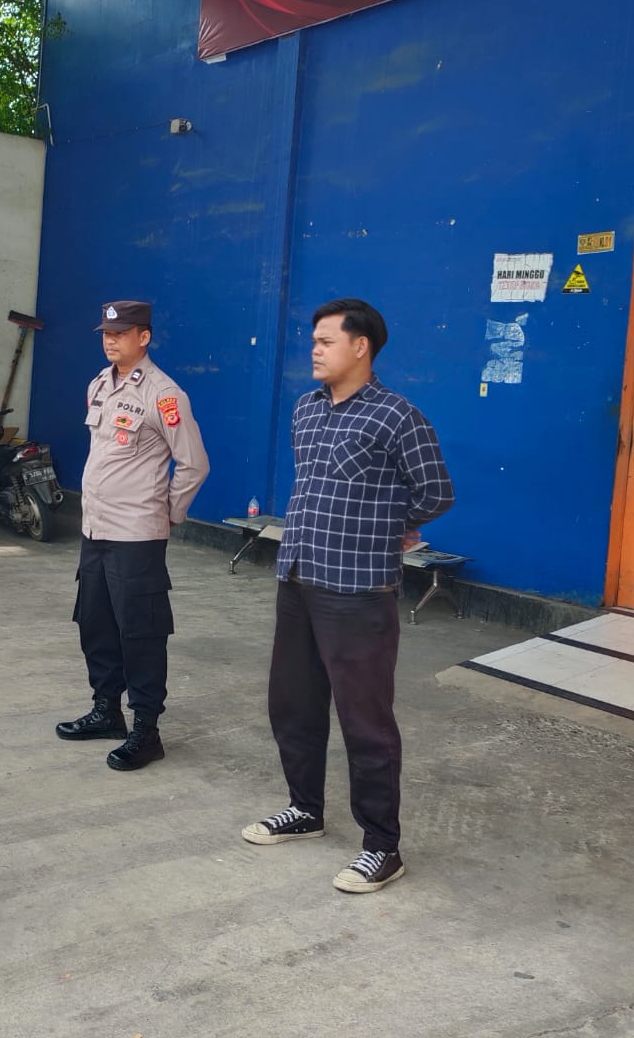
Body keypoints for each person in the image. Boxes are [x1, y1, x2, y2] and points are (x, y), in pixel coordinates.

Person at [241, 298, 453, 893]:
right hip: (298, 578)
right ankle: (304, 809)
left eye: (326, 341)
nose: (314, 349)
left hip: (358, 590)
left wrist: (387, 525)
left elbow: (436, 492)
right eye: (313, 340)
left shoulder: (398, 417)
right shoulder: (306, 410)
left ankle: (382, 845)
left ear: (361, 347)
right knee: (293, 705)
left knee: (365, 721)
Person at [56, 300, 210, 770]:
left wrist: (167, 514)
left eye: (121, 333)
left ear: (144, 337)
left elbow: (193, 464)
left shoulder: (164, 395)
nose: (111, 340)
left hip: (137, 535)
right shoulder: (99, 385)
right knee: (95, 623)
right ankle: (107, 711)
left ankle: (147, 729)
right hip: (96, 529)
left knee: (140, 632)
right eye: (106, 333)